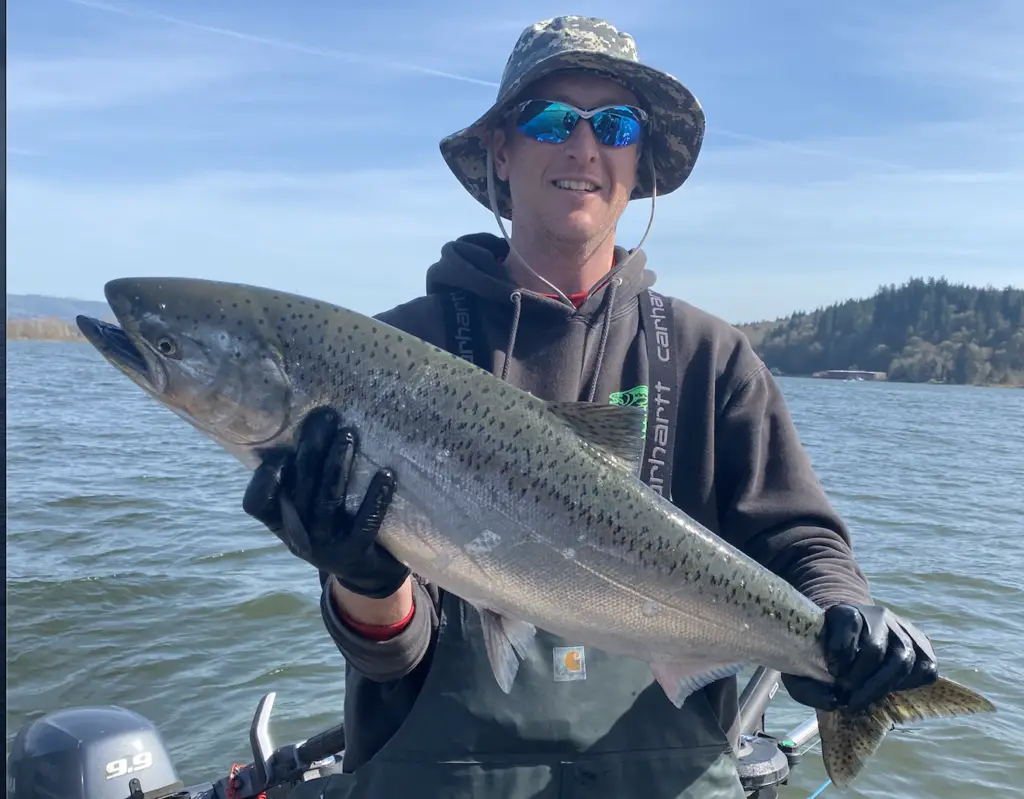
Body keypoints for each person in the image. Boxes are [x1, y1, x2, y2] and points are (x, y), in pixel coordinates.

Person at [243, 15, 938, 799]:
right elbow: (391, 658)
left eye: (614, 123)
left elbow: (799, 538)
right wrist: (363, 578)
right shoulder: (398, 354)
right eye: (549, 118)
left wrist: (843, 621)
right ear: (502, 149)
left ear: (639, 159)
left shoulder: (713, 359)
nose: (583, 147)